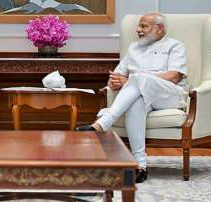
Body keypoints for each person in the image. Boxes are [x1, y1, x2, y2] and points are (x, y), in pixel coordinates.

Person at [75, 12, 188, 183]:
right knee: (136, 102)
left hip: (168, 96)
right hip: (139, 95)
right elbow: (116, 75)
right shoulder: (134, 48)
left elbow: (174, 77)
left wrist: (132, 80)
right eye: (138, 26)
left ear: (159, 28)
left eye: (143, 26)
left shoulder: (175, 46)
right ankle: (140, 166)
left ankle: (103, 122)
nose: (138, 30)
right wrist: (114, 82)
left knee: (138, 78)